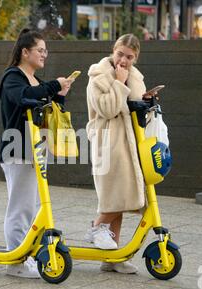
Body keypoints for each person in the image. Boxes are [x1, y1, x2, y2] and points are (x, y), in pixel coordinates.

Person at [0, 29, 72, 278]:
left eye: (45, 51)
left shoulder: (38, 83)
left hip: (37, 151)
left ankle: (26, 256)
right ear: (25, 52)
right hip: (17, 149)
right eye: (40, 50)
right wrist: (53, 85)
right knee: (21, 208)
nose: (44, 55)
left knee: (35, 207)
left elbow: (48, 111)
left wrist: (59, 96)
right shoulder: (13, 77)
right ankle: (15, 262)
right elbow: (22, 97)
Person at [84, 34, 151, 274]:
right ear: (113, 50)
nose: (123, 60)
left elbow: (135, 112)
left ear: (136, 57)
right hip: (108, 142)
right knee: (116, 197)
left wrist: (147, 104)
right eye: (120, 53)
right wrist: (119, 84)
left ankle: (112, 256)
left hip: (129, 144)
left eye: (129, 57)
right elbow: (108, 109)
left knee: (119, 202)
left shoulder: (136, 77)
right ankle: (96, 228)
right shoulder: (98, 77)